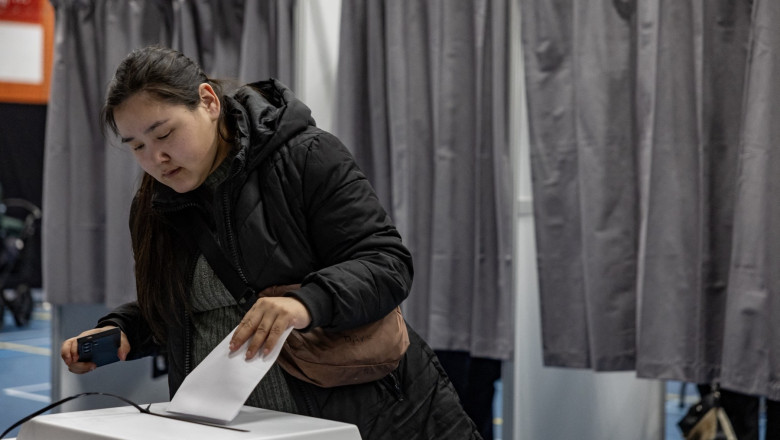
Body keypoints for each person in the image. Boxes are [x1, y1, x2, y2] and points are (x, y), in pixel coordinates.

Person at [60, 45, 481, 439]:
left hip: (366, 414)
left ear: (208, 101)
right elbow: (187, 308)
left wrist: (306, 303)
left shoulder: (305, 156)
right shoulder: (155, 204)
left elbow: (387, 263)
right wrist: (126, 330)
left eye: (165, 134)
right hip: (237, 425)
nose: (156, 159)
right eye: (136, 146)